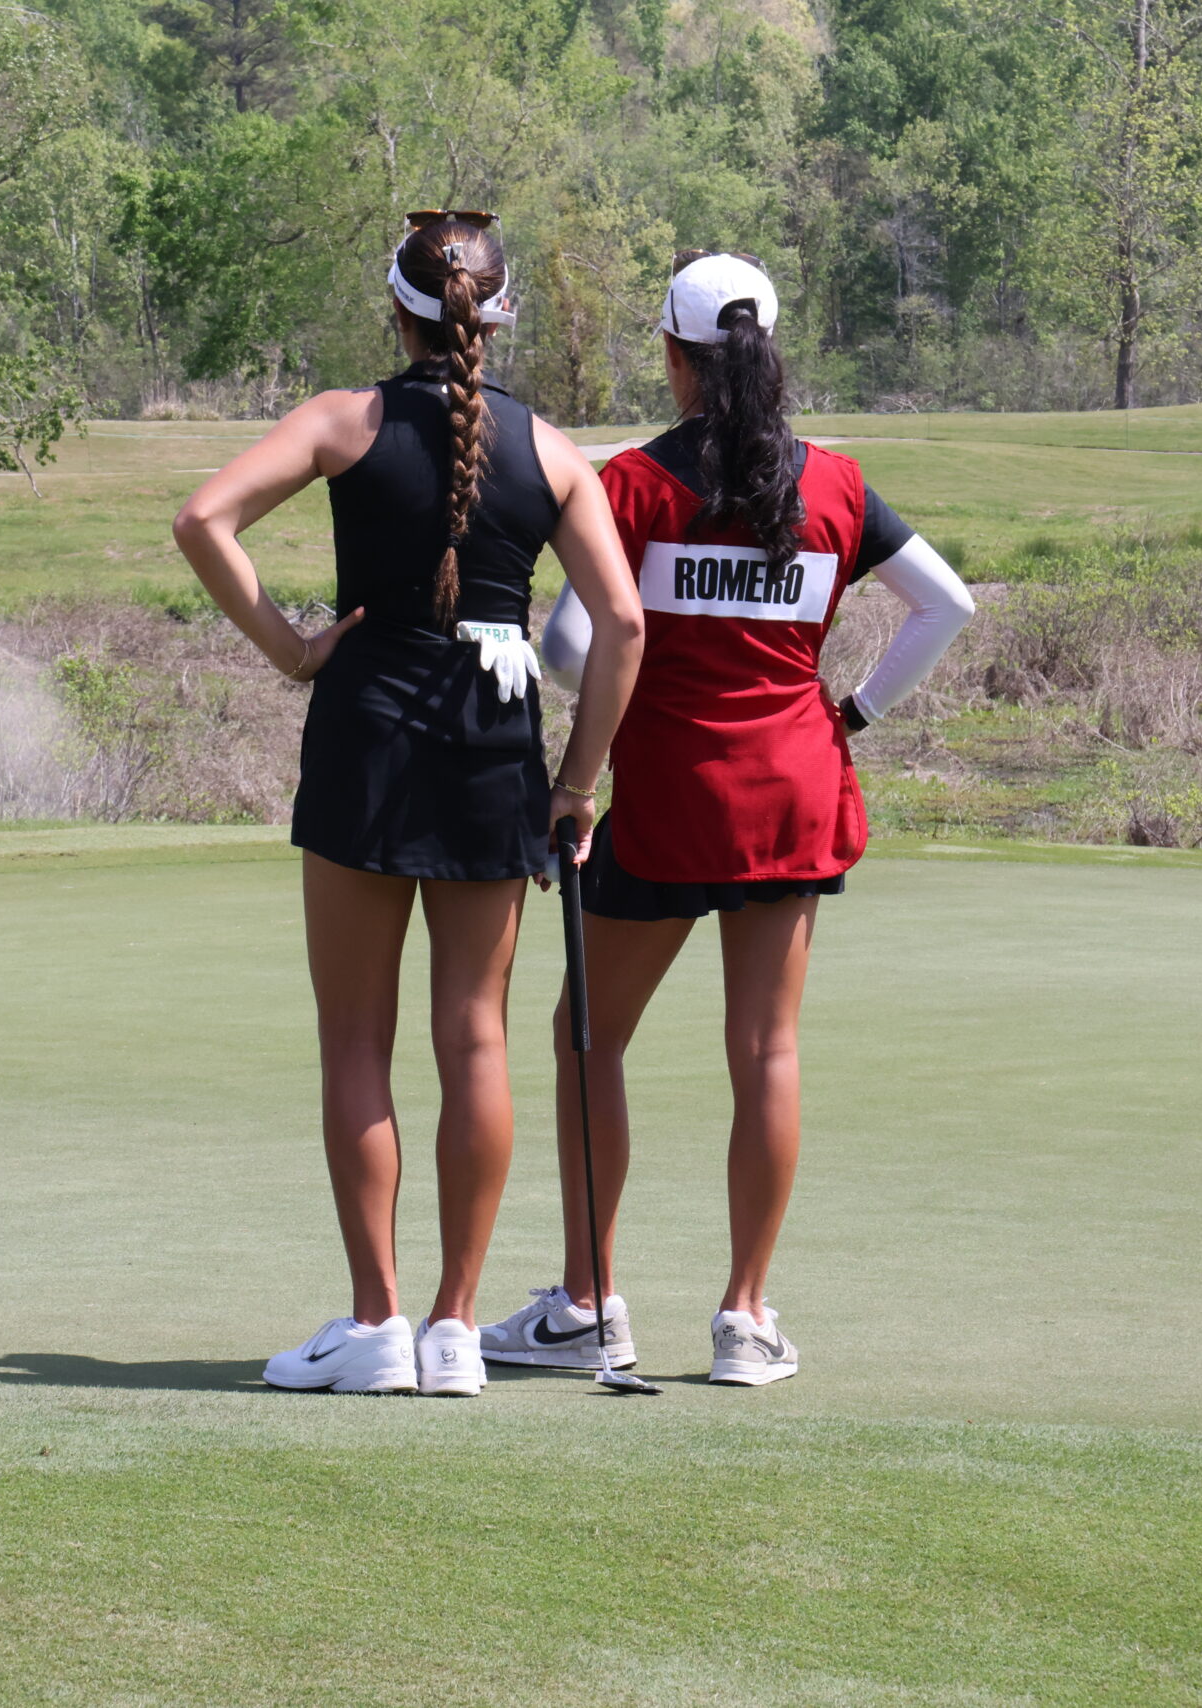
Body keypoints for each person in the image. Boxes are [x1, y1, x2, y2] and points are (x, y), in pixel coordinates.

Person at [172, 212, 645, 1398]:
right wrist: (579, 781)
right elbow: (625, 626)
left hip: (367, 731)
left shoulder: (344, 419)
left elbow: (201, 520)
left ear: (402, 309)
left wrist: (289, 646)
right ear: (498, 311)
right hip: (496, 740)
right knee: (474, 1035)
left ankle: (375, 1323)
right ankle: (453, 1328)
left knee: (355, 1039)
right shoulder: (555, 450)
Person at [483, 251, 975, 1386]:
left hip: (665, 797)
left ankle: (588, 1303)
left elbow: (570, 645)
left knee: (586, 1033)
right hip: (795, 790)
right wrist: (850, 709)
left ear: (672, 356)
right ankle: (746, 1320)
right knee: (766, 1050)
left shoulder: (633, 485)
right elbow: (943, 606)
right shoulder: (837, 485)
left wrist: (597, 720)